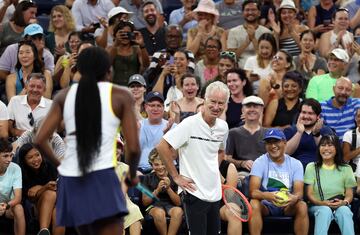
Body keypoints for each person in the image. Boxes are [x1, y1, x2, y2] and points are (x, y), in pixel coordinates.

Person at [33, 47, 141, 235]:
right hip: (101, 176)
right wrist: (131, 174)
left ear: (79, 71)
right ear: (109, 70)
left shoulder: (64, 96)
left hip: (71, 179)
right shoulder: (121, 95)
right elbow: (133, 148)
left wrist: (60, 165)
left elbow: (40, 139)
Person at [156, 81, 230, 235]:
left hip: (214, 193)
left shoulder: (223, 127)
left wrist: (213, 171)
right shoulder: (189, 124)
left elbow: (220, 152)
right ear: (204, 99)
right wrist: (175, 177)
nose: (216, 107)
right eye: (213, 102)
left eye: (221, 103)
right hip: (193, 192)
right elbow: (162, 146)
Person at [248, 128, 309, 235]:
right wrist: (267, 195)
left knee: (302, 205)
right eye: (269, 143)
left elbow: (299, 192)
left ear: (284, 142)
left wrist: (293, 198)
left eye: (276, 141)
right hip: (266, 204)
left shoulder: (296, 164)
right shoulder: (259, 162)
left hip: (287, 205)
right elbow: (253, 192)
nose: (272, 146)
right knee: (253, 203)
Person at [304, 135, 356, 235]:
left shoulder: (346, 168)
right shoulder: (311, 167)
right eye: (323, 145)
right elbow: (309, 194)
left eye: (330, 145)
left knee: (345, 211)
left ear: (337, 148)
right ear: (319, 148)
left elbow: (349, 194)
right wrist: (322, 203)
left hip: (340, 204)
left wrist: (344, 202)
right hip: (318, 205)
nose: (326, 148)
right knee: (324, 211)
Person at [18, 143, 64, 235]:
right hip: (34, 208)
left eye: (37, 155)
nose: (35, 160)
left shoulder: (49, 165)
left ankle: (43, 232)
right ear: (24, 160)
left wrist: (39, 189)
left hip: (55, 204)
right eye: (30, 157)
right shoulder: (21, 172)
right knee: (50, 194)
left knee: (57, 212)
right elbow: (31, 197)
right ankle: (43, 230)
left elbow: (58, 187)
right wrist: (45, 187)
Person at [141, 148, 183, 235]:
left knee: (178, 211)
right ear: (151, 165)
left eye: (163, 164)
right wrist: (157, 190)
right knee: (159, 213)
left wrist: (168, 188)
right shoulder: (147, 178)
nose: (160, 167)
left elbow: (179, 203)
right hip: (153, 206)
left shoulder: (175, 177)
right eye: (156, 164)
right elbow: (145, 202)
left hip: (171, 205)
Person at [284, 98, 333, 170]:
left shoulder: (326, 130)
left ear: (318, 116)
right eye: (303, 112)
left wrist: (316, 134)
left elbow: (329, 152)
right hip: (294, 170)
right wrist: (299, 132)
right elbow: (285, 152)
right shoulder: (290, 130)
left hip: (320, 170)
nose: (306, 116)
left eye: (310, 113)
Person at [225, 95, 266, 179]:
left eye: (255, 106)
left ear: (262, 110)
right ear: (242, 110)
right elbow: (227, 158)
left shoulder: (268, 133)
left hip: (265, 173)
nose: (252, 109)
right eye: (248, 106)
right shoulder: (233, 133)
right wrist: (242, 163)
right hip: (242, 174)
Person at [227, 0, 271, 68]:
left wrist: (253, 39)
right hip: (240, 70)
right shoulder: (233, 32)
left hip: (261, 67)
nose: (250, 12)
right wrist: (247, 42)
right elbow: (231, 58)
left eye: (253, 10)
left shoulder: (266, 32)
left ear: (259, 13)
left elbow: (266, 56)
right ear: (243, 13)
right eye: (247, 10)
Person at [138, 91, 175, 172]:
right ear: (145, 107)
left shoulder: (172, 126)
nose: (155, 109)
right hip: (142, 170)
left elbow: (175, 156)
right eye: (152, 105)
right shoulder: (137, 126)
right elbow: (128, 156)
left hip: (166, 170)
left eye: (159, 106)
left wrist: (167, 135)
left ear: (163, 108)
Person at [7, 73, 52, 138]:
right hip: (19, 140)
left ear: (44, 90)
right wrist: (18, 132)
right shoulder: (15, 101)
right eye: (32, 86)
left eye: (39, 87)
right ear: (26, 87)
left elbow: (56, 128)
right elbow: (8, 125)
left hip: (43, 142)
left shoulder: (51, 105)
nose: (35, 90)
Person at [106, 20, 149, 86]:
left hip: (133, 87)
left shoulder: (137, 49)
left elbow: (146, 65)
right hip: (116, 87)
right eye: (122, 34)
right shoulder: (110, 49)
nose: (125, 36)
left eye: (128, 33)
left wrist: (142, 45)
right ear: (115, 35)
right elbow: (107, 65)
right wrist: (115, 44)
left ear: (132, 34)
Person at [0, 138, 25, 235]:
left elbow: (18, 198)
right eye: (5, 156)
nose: (9, 159)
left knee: (18, 208)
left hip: (7, 207)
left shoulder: (15, 168)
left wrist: (6, 206)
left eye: (11, 155)